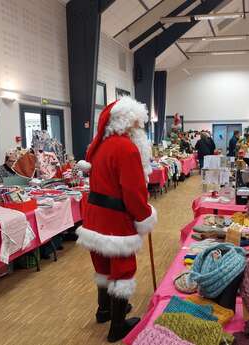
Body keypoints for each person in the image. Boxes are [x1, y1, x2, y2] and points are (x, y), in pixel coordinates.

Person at [75, 97, 158, 342]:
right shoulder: (126, 148)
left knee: (102, 264)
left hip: (95, 215)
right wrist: (145, 215)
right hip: (115, 219)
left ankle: (104, 310)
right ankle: (117, 327)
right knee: (122, 269)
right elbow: (133, 192)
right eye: (135, 122)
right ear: (125, 122)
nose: (138, 127)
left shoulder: (100, 145)